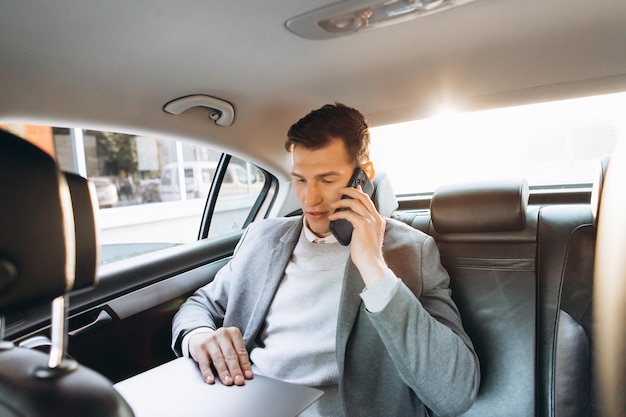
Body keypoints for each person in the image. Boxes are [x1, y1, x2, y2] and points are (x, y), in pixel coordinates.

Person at [171, 103, 480, 417]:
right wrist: (199, 337)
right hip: (246, 403)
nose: (309, 199)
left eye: (327, 180)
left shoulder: (413, 251)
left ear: (363, 177)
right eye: (301, 180)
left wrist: (374, 267)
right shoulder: (261, 238)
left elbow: (455, 393)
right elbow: (200, 305)